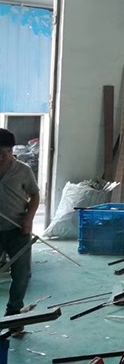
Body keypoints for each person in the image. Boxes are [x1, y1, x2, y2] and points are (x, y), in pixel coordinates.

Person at [0, 128, 39, 327]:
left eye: (5, 152)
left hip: (18, 229)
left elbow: (35, 195)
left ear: (12, 151)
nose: (0, 157)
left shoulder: (23, 170)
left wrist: (29, 218)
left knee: (21, 275)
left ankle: (14, 316)